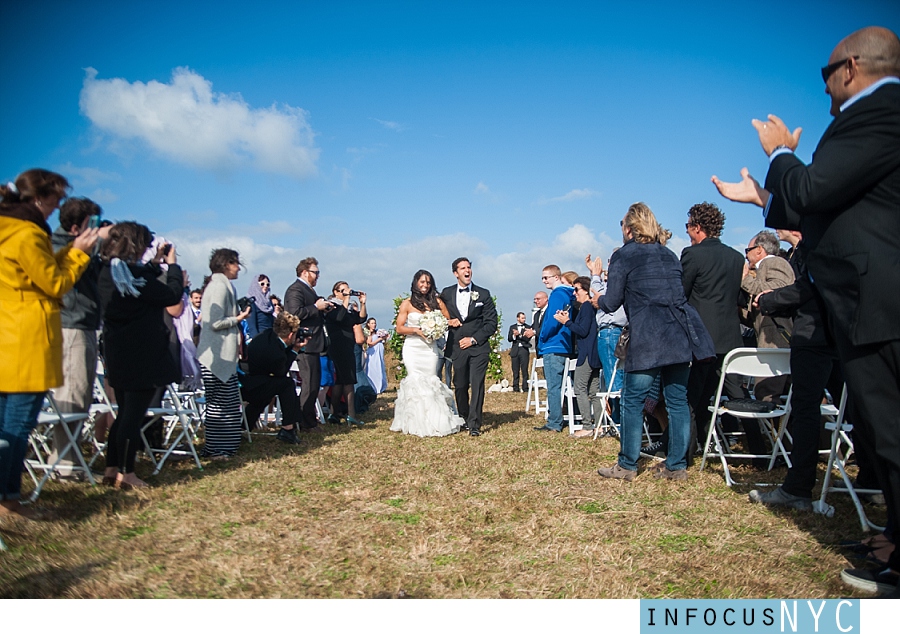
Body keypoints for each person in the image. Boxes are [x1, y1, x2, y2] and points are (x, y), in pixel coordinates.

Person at [710, 26, 900, 597]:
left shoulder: (880, 111)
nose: (824, 89)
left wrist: (781, 154)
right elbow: (822, 205)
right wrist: (764, 197)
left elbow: (814, 191)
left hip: (878, 300)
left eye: (825, 75)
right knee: (879, 427)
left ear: (851, 67)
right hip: (863, 304)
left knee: (891, 433)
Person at [0, 170, 98, 518]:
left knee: (5, 425)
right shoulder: (27, 233)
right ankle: (9, 500)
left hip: (8, 337)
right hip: (28, 340)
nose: (58, 206)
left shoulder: (9, 229)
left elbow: (37, 273)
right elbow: (54, 284)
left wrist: (69, 251)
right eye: (56, 199)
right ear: (39, 198)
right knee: (17, 426)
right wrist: (80, 254)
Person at [595, 203, 714, 482]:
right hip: (679, 335)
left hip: (648, 336)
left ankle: (626, 465)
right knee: (677, 401)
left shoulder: (625, 255)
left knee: (633, 400)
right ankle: (676, 466)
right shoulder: (669, 255)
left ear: (630, 228)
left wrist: (594, 300)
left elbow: (611, 302)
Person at [748, 229, 846, 510]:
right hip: (839, 330)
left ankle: (799, 487)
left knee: (806, 409)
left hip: (814, 333)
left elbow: (808, 288)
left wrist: (769, 299)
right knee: (849, 406)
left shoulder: (811, 247)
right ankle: (871, 479)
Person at [97, 222, 183, 488]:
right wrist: (172, 266)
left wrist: (154, 263)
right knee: (134, 415)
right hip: (142, 353)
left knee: (124, 412)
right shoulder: (136, 277)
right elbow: (171, 294)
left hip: (116, 349)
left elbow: (138, 281)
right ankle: (127, 473)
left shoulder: (109, 273)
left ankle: (112, 469)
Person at [679, 202, 751, 464]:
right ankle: (759, 448)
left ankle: (686, 454)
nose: (686, 232)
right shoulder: (735, 257)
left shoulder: (692, 255)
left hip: (702, 338)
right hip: (731, 337)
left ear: (697, 227)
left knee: (691, 397)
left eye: (688, 226)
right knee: (739, 397)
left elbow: (681, 294)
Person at [47, 197, 107, 478]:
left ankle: (65, 457)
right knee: (71, 394)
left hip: (83, 325)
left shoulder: (83, 250)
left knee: (80, 396)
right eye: (91, 225)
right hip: (71, 326)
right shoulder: (58, 246)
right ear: (76, 227)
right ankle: (66, 464)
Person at [391, 270, 464, 437]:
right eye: (422, 282)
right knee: (415, 380)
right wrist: (416, 330)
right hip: (413, 348)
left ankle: (434, 420)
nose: (425, 285)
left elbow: (447, 320)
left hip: (429, 348)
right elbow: (399, 328)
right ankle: (414, 422)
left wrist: (442, 325)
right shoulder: (407, 303)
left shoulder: (436, 302)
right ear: (415, 283)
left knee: (431, 380)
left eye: (428, 282)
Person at [196, 248, 252, 459]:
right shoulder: (218, 286)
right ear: (226, 264)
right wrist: (238, 319)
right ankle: (217, 448)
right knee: (220, 405)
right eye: (236, 263)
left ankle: (225, 446)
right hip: (216, 357)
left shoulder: (222, 285)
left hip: (222, 356)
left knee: (226, 403)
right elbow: (214, 321)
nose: (239, 267)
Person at [439, 258, 498, 437]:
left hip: (478, 347)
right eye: (463, 268)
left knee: (477, 384)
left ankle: (474, 424)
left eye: (469, 267)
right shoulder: (446, 293)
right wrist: (448, 322)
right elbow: (437, 316)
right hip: (457, 347)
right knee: (460, 384)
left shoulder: (483, 294)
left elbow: (491, 323)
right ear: (455, 273)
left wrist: (473, 339)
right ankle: (463, 417)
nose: (467, 271)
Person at [241, 312, 307, 444]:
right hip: (252, 387)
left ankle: (243, 427)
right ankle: (288, 428)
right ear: (290, 335)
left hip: (247, 381)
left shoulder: (266, 335)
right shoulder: (276, 354)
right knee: (286, 384)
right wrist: (295, 350)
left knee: (264, 395)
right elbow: (281, 372)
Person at [284, 257, 333, 433]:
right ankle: (305, 422)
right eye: (315, 272)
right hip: (304, 344)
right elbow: (294, 314)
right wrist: (316, 307)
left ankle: (307, 420)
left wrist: (323, 308)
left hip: (314, 344)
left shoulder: (309, 290)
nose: (318, 276)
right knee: (309, 385)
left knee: (314, 385)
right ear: (305, 272)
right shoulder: (295, 290)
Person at [553, 276, 602, 431]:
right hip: (594, 354)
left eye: (577, 289)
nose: (574, 293)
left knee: (579, 388)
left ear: (586, 291)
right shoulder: (590, 308)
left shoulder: (586, 307)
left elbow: (582, 330)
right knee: (594, 392)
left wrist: (566, 322)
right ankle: (600, 425)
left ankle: (588, 426)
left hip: (586, 354)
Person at [586, 253, 627, 427]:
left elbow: (598, 294)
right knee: (617, 375)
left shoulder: (616, 286)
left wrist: (595, 275)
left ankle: (619, 422)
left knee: (613, 378)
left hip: (610, 331)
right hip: (618, 331)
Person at [533, 265, 574, 433]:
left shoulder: (557, 295)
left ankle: (554, 421)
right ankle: (560, 417)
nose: (544, 281)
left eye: (547, 277)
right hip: (563, 344)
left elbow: (552, 320)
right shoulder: (568, 295)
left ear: (556, 277)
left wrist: (542, 337)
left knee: (554, 386)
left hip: (553, 344)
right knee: (562, 385)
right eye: (543, 278)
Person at [324, 281, 366, 426]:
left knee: (342, 380)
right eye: (343, 291)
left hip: (348, 346)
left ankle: (334, 414)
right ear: (336, 292)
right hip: (337, 346)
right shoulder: (331, 306)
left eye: (348, 290)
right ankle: (350, 414)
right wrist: (346, 299)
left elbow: (360, 319)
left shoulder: (348, 308)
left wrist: (362, 304)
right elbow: (339, 318)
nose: (346, 293)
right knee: (346, 379)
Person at [507, 312, 531, 392]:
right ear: (518, 318)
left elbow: (527, 339)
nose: (524, 319)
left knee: (524, 369)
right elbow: (509, 338)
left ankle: (525, 387)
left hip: (524, 349)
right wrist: (514, 335)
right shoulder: (512, 327)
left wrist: (519, 335)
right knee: (515, 369)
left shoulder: (528, 327)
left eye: (524, 318)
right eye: (522, 318)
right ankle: (515, 387)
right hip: (515, 350)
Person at [246, 274, 275, 339]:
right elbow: (252, 326)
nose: (265, 286)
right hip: (259, 337)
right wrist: (257, 341)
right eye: (262, 284)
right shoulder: (251, 302)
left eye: (268, 284)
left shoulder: (269, 303)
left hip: (270, 338)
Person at [364, 317, 389, 394]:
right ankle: (374, 386)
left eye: (374, 323)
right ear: (368, 324)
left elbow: (386, 338)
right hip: (373, 352)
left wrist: (385, 337)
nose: (374, 325)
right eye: (372, 323)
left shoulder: (378, 331)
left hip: (379, 351)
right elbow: (370, 344)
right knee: (373, 367)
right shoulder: (368, 333)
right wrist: (379, 339)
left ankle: (381, 385)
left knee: (380, 366)